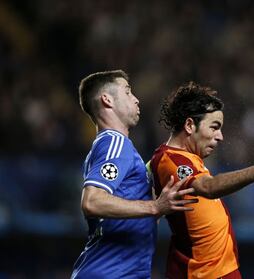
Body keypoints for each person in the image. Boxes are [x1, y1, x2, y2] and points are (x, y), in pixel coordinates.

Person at [149, 81, 254, 279]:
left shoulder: (190, 159)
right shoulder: (170, 159)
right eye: (214, 127)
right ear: (189, 125)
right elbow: (208, 187)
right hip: (202, 274)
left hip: (219, 271)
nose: (220, 136)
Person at [71, 70, 198, 279]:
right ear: (107, 100)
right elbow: (92, 202)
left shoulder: (117, 148)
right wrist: (154, 206)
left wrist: (159, 207)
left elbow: (133, 218)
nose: (136, 99)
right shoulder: (114, 142)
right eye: (128, 92)